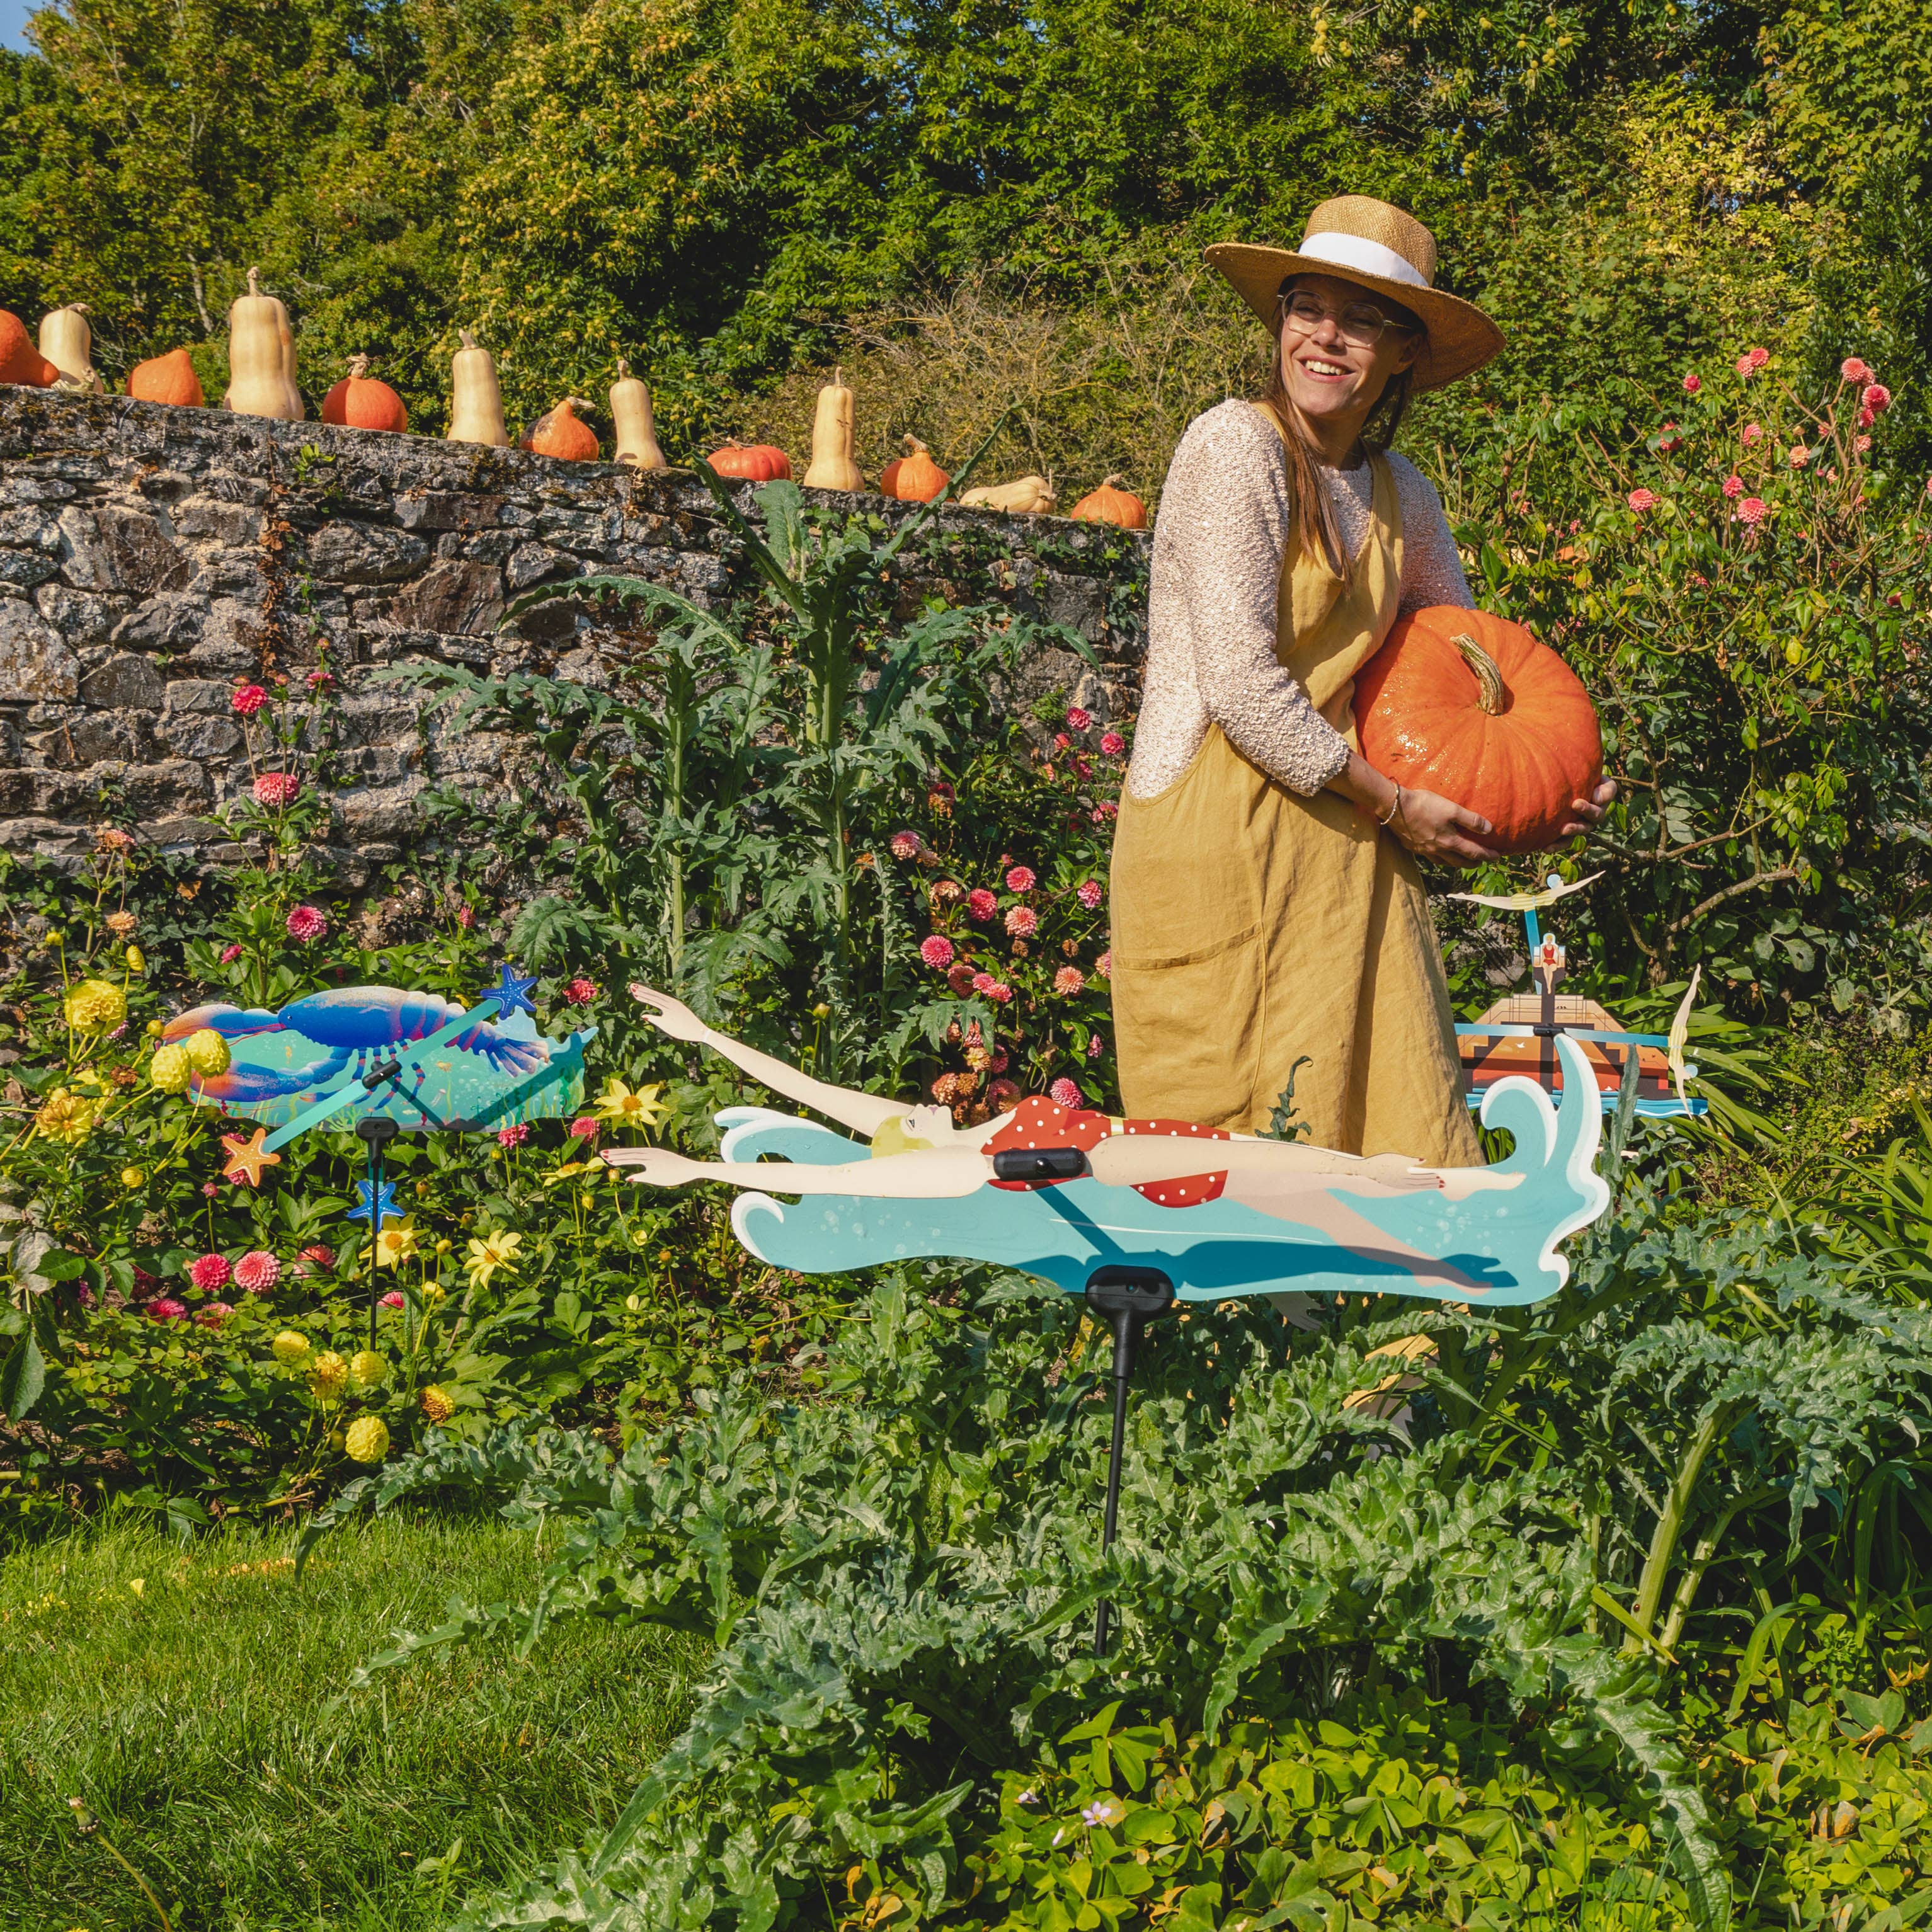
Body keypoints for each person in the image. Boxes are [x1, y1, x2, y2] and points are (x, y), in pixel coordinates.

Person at [1108, 195, 1614, 1162]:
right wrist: (1394, 806)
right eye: (1308, 307)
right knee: (1222, 1139)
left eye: (1362, 318)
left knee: (1384, 1126)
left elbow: (1463, 675)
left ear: (1404, 352)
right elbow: (1244, 686)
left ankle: (1388, 1320)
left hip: (1348, 847)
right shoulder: (1233, 447)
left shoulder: (1403, 494)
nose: (1327, 338)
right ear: (1282, 323)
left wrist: (1557, 787)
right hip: (1217, 832)